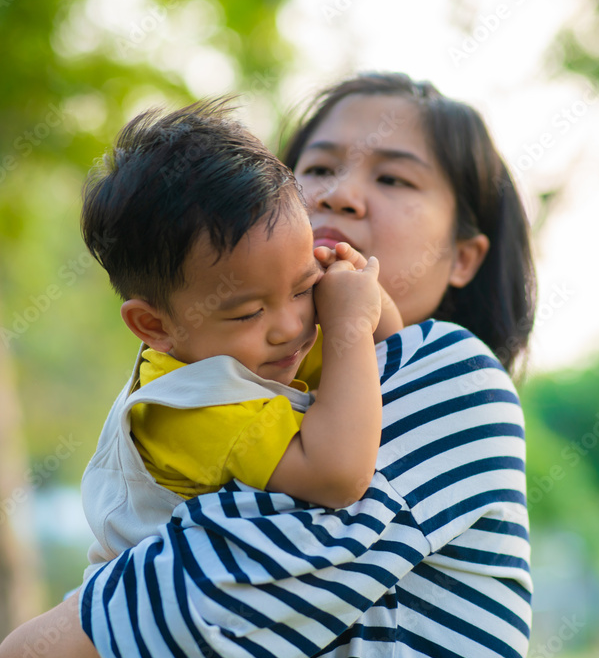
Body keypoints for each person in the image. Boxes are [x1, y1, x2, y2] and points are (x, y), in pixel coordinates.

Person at [0, 71, 536, 658]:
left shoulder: (459, 380)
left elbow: (190, 602)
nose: (337, 195)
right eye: (320, 168)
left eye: (392, 178)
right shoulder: (210, 389)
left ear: (464, 257)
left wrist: (354, 312)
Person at [76, 100, 402, 576]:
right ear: (155, 327)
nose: (290, 326)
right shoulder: (184, 408)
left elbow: (394, 349)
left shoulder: (265, 346)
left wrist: (354, 285)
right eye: (248, 312)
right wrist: (350, 325)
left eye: (303, 287)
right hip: (158, 608)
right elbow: (338, 478)